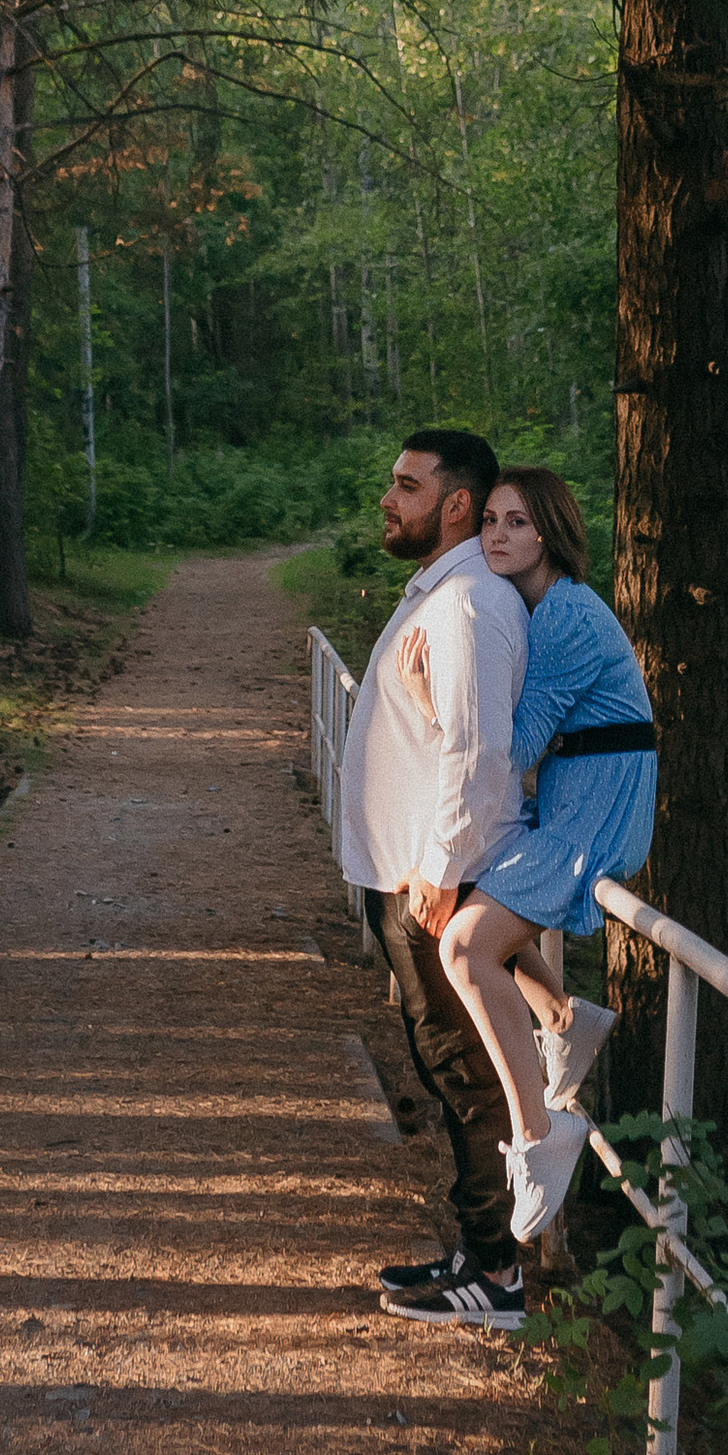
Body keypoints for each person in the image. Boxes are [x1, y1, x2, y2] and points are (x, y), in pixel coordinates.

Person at [400, 466, 656, 1245]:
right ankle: (562, 1015)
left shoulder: (568, 617)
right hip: (572, 797)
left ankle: (540, 1133)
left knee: (464, 946)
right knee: (470, 869)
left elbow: (510, 741)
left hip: (595, 810)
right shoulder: (542, 609)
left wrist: (422, 698)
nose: (497, 536)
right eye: (490, 522)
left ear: (548, 532)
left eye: (516, 522)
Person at [330, 426, 532, 1329]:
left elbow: (482, 753)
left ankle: (498, 1275)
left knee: (466, 1071)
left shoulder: (468, 606)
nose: (388, 497)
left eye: (406, 485)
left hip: (430, 884)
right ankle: (479, 1251)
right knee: (447, 1067)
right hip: (410, 876)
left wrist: (442, 871)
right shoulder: (442, 594)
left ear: (456, 503)